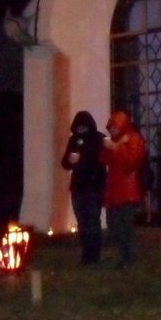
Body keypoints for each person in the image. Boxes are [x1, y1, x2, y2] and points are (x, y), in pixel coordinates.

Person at [60, 111, 107, 266]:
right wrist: (70, 160)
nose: (81, 130)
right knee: (82, 222)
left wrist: (84, 158)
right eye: (78, 127)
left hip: (94, 186)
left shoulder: (99, 138)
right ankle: (86, 255)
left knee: (93, 221)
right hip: (78, 188)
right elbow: (65, 163)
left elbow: (102, 159)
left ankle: (95, 256)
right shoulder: (73, 140)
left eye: (83, 127)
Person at [100, 110, 146, 268]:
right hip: (114, 190)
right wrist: (112, 146)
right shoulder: (117, 140)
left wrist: (115, 147)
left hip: (128, 191)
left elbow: (132, 161)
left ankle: (130, 258)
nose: (112, 130)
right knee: (114, 224)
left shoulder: (134, 138)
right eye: (110, 128)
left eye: (114, 127)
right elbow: (104, 159)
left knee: (126, 226)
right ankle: (123, 256)